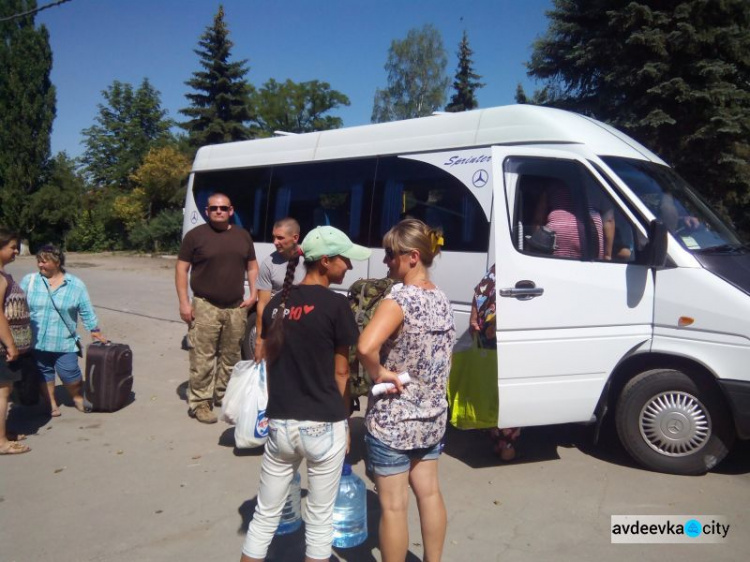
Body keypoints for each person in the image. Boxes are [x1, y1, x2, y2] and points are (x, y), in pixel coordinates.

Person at [241, 225, 371, 562]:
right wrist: (344, 424)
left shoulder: (274, 307)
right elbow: (341, 372)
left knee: (264, 517)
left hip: (280, 424)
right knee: (319, 521)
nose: (350, 267)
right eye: (345, 260)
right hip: (322, 423)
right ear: (325, 261)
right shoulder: (336, 306)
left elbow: (272, 365)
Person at [357, 218, 456, 562]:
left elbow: (366, 346)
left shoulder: (400, 300)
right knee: (429, 495)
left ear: (413, 256)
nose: (386, 261)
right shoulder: (441, 299)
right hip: (431, 417)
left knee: (394, 507)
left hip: (394, 421)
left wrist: (380, 372)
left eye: (391, 254)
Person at [176, 193, 259, 424]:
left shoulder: (242, 236)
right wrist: (184, 302)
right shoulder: (195, 236)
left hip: (235, 306)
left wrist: (253, 294)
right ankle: (200, 403)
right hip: (205, 305)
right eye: (214, 208)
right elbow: (181, 269)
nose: (219, 212)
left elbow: (252, 266)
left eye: (223, 208)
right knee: (203, 357)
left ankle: (223, 394)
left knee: (231, 356)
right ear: (207, 211)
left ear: (231, 210)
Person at [21, 244, 107, 417]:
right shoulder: (30, 281)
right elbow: (17, 306)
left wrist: (94, 329)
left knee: (70, 373)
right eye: (38, 261)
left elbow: (86, 310)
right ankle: (51, 403)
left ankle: (76, 396)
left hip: (64, 340)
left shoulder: (75, 285)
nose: (40, 265)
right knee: (44, 372)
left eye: (44, 261)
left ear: (57, 262)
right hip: (35, 340)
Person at [468, 264, 521, 461]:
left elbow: (480, 292)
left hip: (490, 335)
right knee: (508, 390)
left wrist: (474, 319)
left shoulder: (500, 268)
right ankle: (506, 443)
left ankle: (499, 440)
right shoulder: (526, 267)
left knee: (494, 389)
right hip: (506, 337)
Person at [253, 217, 305, 362]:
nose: (275, 242)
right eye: (274, 237)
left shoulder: (309, 260)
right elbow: (262, 304)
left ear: (295, 238)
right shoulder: (269, 264)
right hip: (279, 330)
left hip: (303, 329)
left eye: (280, 238)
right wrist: (259, 339)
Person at [0, 229, 33, 454]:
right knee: (2, 393)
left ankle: (2, 432)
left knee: (5, 392)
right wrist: (10, 344)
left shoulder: (4, 275)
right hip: (2, 347)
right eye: (12, 247)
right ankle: (2, 442)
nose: (16, 251)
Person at [532, 178, 614, 260]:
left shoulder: (553, 183)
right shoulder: (598, 185)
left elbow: (538, 219)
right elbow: (608, 220)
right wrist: (607, 255)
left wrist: (534, 246)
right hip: (589, 238)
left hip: (556, 237)